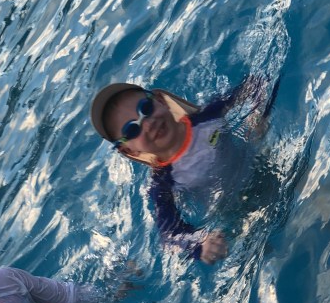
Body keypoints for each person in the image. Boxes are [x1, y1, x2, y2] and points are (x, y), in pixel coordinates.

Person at [90, 77, 279, 263]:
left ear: (161, 101)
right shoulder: (163, 183)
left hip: (271, 174)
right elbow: (170, 235)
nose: (148, 124)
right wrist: (200, 244)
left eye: (146, 108)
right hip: (240, 216)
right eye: (132, 130)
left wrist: (259, 115)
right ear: (129, 150)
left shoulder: (208, 115)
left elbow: (256, 83)